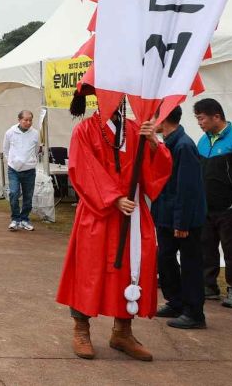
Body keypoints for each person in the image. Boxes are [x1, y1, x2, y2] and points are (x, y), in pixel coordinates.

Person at [57, 88, 171, 362]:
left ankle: (123, 331)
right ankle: (81, 329)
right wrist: (113, 197)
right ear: (98, 98)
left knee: (133, 268)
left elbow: (153, 172)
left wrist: (154, 143)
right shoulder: (84, 130)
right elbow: (83, 170)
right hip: (98, 211)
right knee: (89, 269)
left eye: (119, 95)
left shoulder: (135, 129)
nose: (115, 100)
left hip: (131, 212)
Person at [192, 98, 232, 309]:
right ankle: (209, 286)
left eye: (201, 118)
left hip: (229, 208)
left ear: (216, 117)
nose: (199, 123)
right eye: (197, 119)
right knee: (206, 247)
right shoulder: (203, 140)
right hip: (206, 207)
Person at [152, 106, 207, 329]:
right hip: (166, 214)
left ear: (163, 118)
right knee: (164, 258)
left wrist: (181, 222)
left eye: (154, 116)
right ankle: (175, 302)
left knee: (190, 263)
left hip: (184, 218)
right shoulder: (168, 143)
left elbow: (187, 188)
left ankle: (195, 312)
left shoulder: (184, 145)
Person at [4, 110, 40, 232]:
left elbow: (36, 149)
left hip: (29, 169)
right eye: (25, 120)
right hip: (14, 169)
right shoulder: (10, 132)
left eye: (30, 120)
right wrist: (11, 161)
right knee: (14, 193)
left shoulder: (35, 133)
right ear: (19, 120)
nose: (28, 122)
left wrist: (31, 161)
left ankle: (24, 219)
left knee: (28, 196)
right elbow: (6, 149)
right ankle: (15, 219)